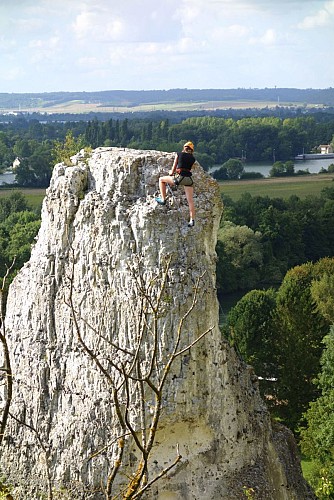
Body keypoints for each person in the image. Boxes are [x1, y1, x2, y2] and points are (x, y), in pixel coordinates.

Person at [155, 141, 196, 227]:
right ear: (192, 150)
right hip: (189, 180)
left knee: (161, 179)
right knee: (190, 201)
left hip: (179, 178)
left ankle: (163, 199)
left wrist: (171, 172)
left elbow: (173, 168)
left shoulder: (179, 154)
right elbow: (188, 169)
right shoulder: (193, 159)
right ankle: (192, 220)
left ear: (184, 148)